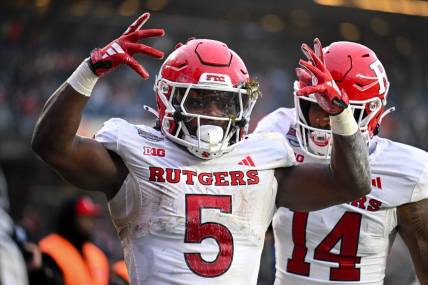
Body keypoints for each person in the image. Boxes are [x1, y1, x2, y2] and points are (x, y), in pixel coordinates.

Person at [31, 12, 371, 285]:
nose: (212, 114)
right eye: (200, 100)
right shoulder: (134, 153)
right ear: (168, 98)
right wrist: (90, 71)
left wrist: (340, 113)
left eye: (224, 103)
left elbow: (351, 183)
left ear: (242, 107)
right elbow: (51, 147)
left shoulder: (266, 158)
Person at [255, 41, 428, 284]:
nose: (319, 118)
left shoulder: (406, 172)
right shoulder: (278, 133)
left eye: (334, 109)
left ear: (371, 111)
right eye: (313, 104)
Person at [30, 195, 110, 285]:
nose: (90, 224)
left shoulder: (97, 254)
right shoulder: (49, 250)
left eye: (91, 218)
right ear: (71, 219)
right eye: (85, 218)